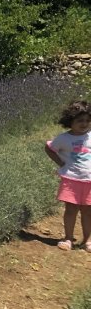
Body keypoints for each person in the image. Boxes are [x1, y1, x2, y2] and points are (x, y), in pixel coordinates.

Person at [44, 101, 91, 251]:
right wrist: (61, 163)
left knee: (88, 211)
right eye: (79, 121)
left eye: (87, 120)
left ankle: (88, 240)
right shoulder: (64, 139)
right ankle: (68, 238)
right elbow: (49, 148)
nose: (84, 124)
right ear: (70, 121)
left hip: (89, 180)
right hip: (72, 179)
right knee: (71, 210)